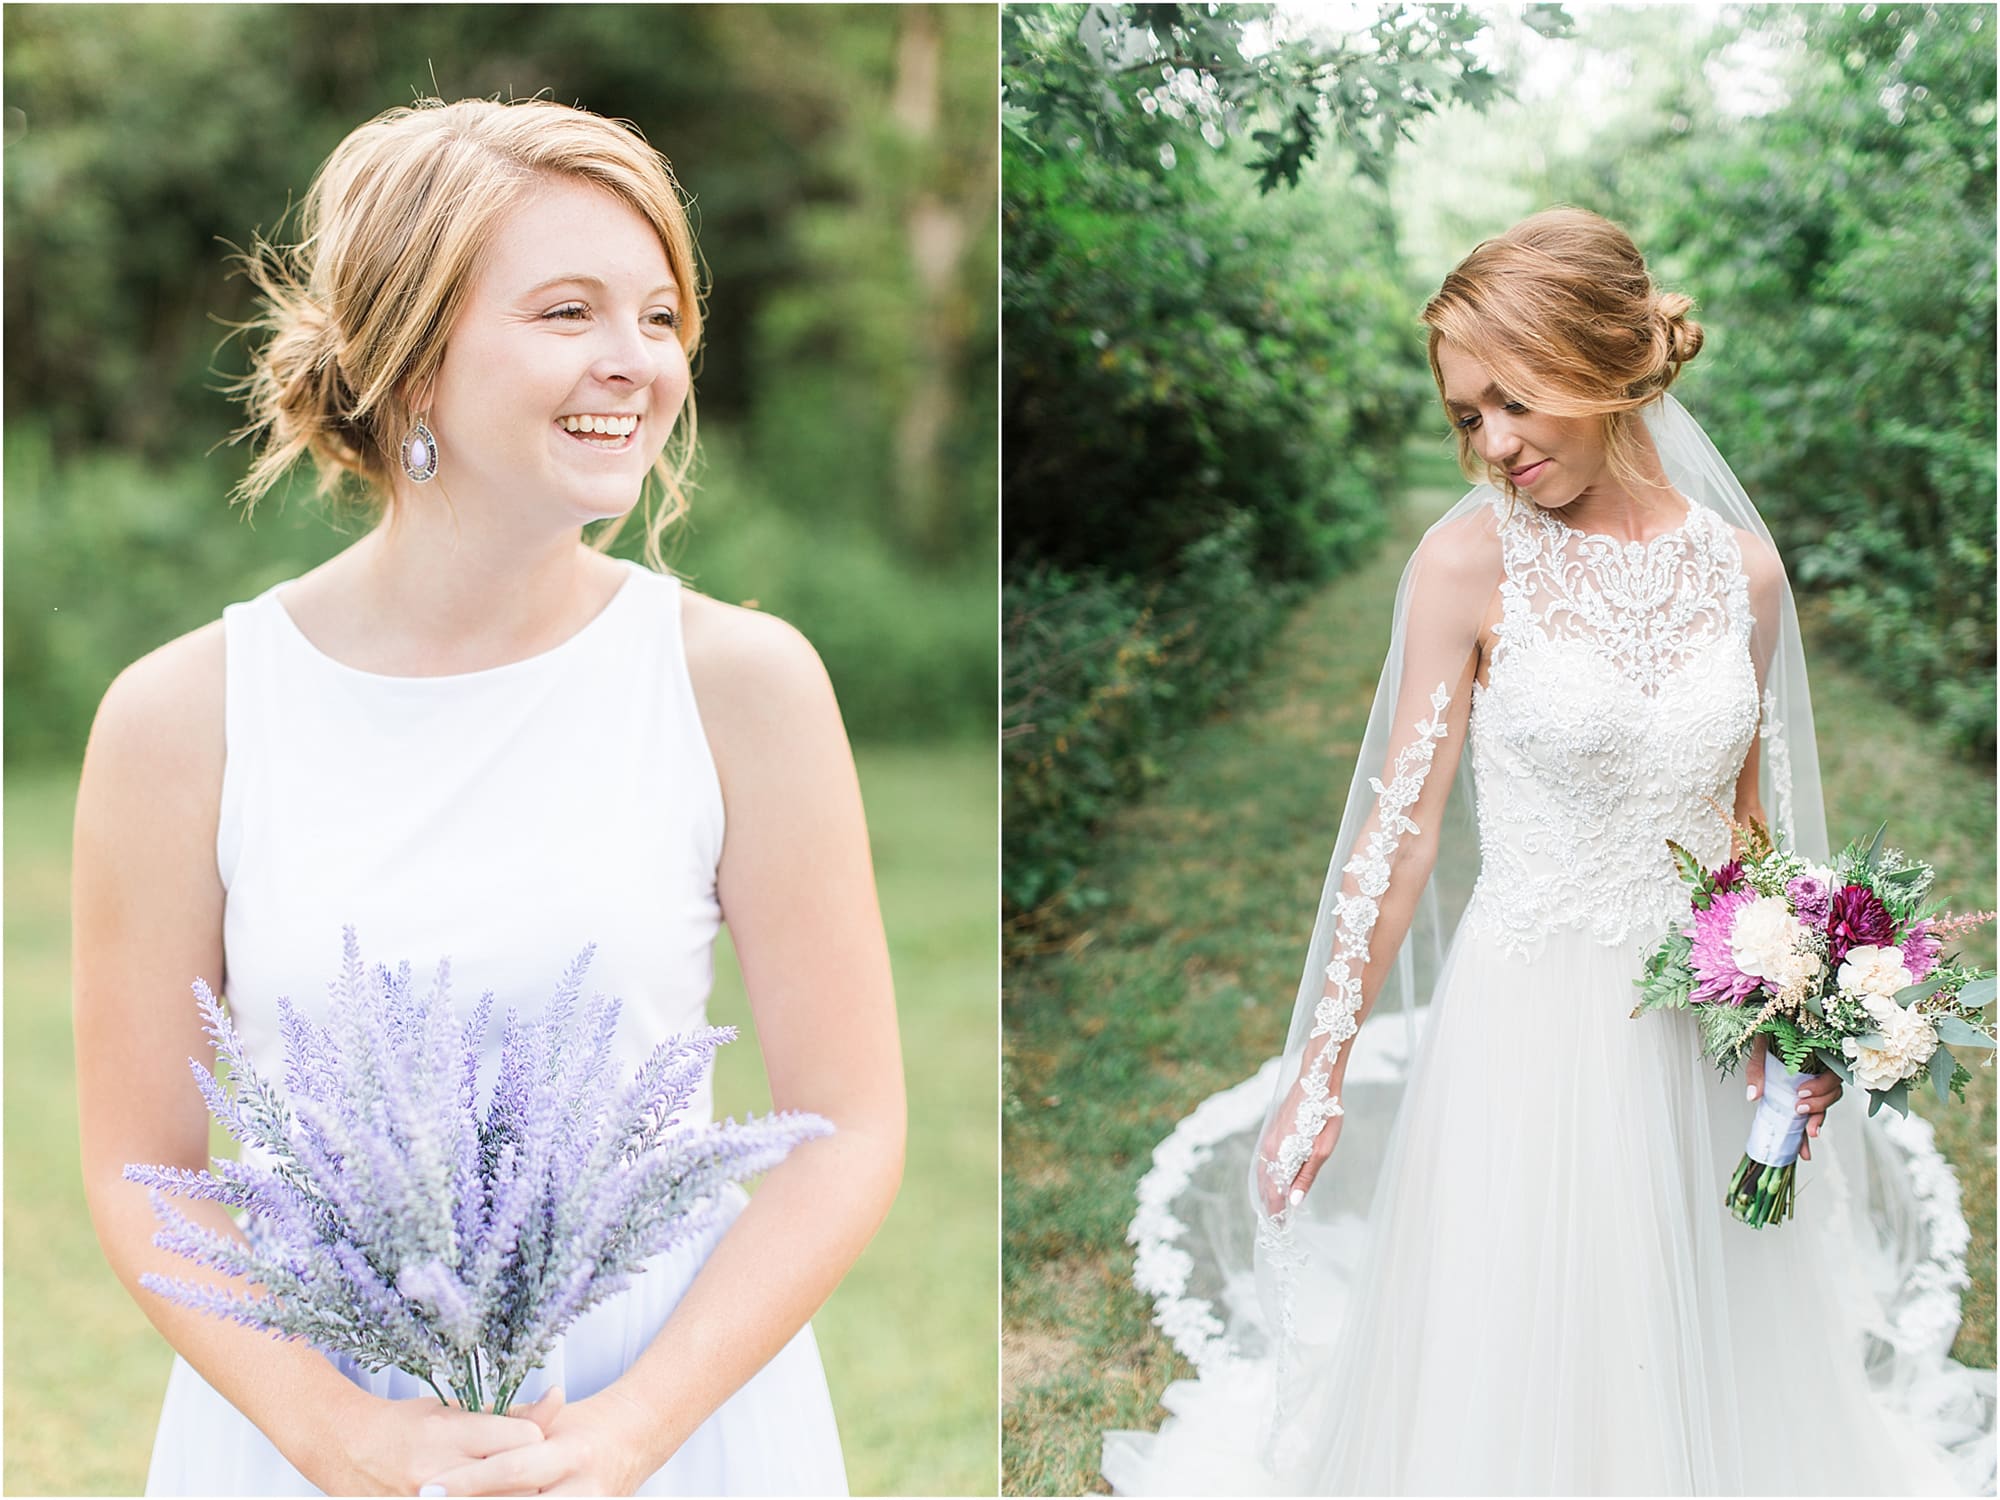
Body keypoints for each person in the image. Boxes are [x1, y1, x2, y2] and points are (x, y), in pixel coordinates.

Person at [72, 97, 904, 1497]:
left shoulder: (742, 684)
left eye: (658, 316)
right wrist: (342, 1437)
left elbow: (851, 1129)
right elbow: (142, 1172)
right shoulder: (183, 718)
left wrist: (637, 1426)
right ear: (410, 361)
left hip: (658, 1415)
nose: (633, 363)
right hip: (316, 1419)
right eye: (569, 312)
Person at [1102, 208, 1994, 1494]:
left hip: (1697, 1024)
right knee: (1527, 1338)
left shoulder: (1742, 574)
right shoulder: (1466, 564)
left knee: (1699, 1331)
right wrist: (1320, 1062)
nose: (1493, 445)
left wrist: (1798, 1026)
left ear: (1604, 362)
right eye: (1465, 417)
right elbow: (1396, 835)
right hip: (1530, 1024)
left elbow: (1749, 834)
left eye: (1514, 402)